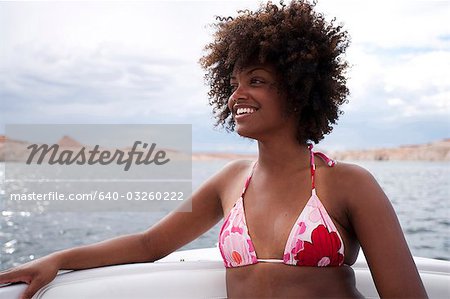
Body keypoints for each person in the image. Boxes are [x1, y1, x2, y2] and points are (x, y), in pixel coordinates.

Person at [0, 1, 428, 298]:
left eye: (256, 80)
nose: (236, 94)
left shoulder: (347, 183)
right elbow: (151, 244)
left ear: (300, 91)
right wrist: (57, 259)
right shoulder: (231, 181)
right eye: (234, 83)